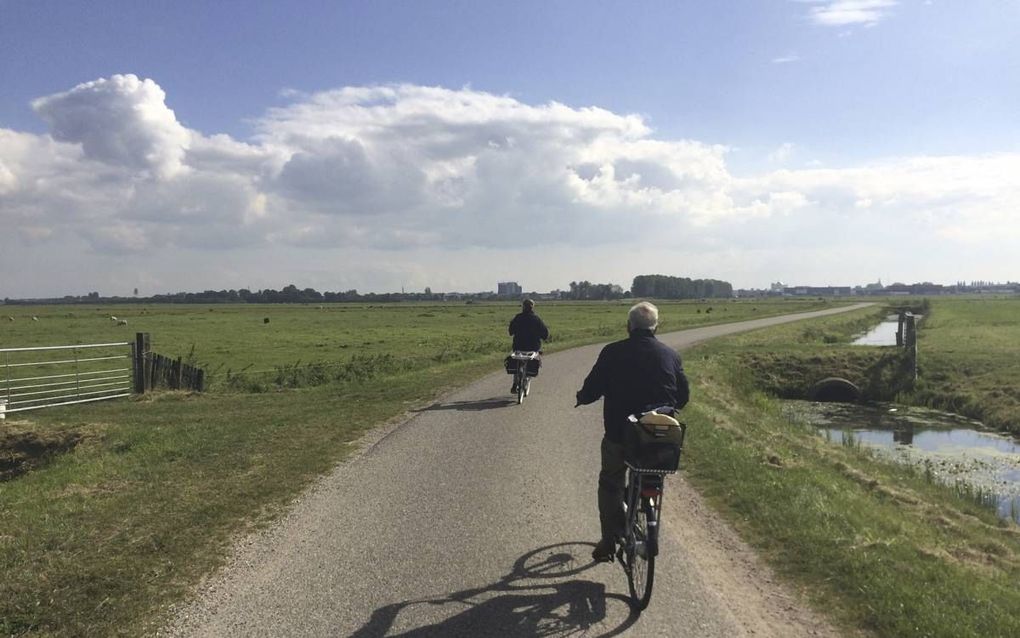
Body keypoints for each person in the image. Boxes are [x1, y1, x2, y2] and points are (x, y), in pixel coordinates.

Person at [574, 301, 690, 563]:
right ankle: (646, 502)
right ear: (656, 327)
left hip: (619, 433)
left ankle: (609, 540)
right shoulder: (670, 355)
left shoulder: (612, 352)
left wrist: (582, 396)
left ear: (629, 326)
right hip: (658, 436)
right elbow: (683, 395)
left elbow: (593, 387)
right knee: (652, 474)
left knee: (610, 481)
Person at [508, 298, 549, 394]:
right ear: (532, 307)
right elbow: (545, 334)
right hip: (533, 347)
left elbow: (510, 331)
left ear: (523, 307)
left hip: (518, 346)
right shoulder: (537, 319)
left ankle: (515, 383)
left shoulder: (517, 317)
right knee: (534, 359)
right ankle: (526, 380)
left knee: (516, 361)